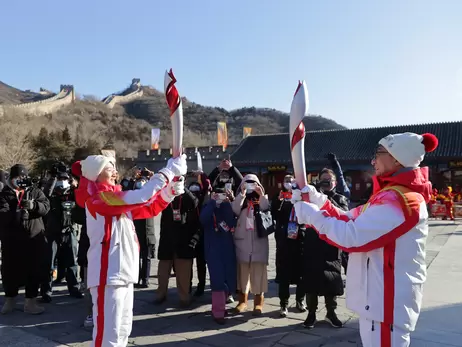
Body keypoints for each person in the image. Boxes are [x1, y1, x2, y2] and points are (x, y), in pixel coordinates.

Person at [291, 132, 438, 347]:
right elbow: (347, 217)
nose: (373, 160)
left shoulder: (404, 201)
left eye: (378, 154)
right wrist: (316, 199)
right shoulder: (389, 195)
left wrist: (310, 215)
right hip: (378, 301)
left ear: (397, 158)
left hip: (388, 304)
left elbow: (352, 237)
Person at [73, 154, 187, 347]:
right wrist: (168, 171)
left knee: (122, 330)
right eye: (110, 169)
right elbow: (140, 196)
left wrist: (169, 193)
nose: (115, 173)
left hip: (124, 272)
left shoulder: (115, 200)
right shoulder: (97, 199)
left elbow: (148, 207)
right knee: (107, 334)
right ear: (96, 174)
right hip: (106, 275)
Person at [0, 164, 50, 315]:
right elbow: (2, 214)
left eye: (23, 178)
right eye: (17, 178)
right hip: (12, 240)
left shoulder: (35, 191)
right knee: (9, 271)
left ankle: (30, 302)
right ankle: (10, 300)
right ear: (11, 178)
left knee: (33, 270)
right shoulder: (4, 194)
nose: (20, 181)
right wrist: (17, 211)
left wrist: (34, 205)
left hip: (33, 239)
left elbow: (46, 207)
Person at [303, 168, 348, 329]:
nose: (327, 182)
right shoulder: (311, 198)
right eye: (324, 179)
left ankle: (331, 312)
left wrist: (324, 199)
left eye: (330, 180)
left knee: (332, 282)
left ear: (335, 182)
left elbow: (343, 214)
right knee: (311, 282)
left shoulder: (340, 198)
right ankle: (311, 313)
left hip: (332, 245)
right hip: (313, 244)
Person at [155, 183, 199, 307]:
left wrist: (182, 187)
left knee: (183, 272)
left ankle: (184, 298)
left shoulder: (186, 196)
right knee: (163, 271)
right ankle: (160, 294)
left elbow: (194, 202)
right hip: (167, 238)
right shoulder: (165, 193)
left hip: (183, 238)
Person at [232, 174, 270, 316]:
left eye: (253, 183)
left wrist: (261, 195)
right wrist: (241, 194)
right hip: (242, 241)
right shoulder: (240, 198)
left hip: (259, 241)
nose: (250, 186)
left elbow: (267, 209)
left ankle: (258, 303)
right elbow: (234, 210)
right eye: (247, 183)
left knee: (258, 273)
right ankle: (242, 300)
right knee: (242, 274)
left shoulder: (261, 198)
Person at [200, 188, 237, 324]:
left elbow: (232, 223)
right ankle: (218, 312)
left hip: (227, 248)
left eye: (222, 194)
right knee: (217, 280)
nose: (220, 197)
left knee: (228, 278)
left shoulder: (226, 206)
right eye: (217, 194)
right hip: (213, 249)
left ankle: (222, 305)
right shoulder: (208, 206)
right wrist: (212, 202)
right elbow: (203, 219)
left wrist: (227, 203)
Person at [271, 175, 306, 317]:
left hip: (300, 239)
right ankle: (283, 304)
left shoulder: (302, 197)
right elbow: (274, 214)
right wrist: (278, 200)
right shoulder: (280, 197)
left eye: (291, 181)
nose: (289, 184)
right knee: (284, 275)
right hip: (285, 241)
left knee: (301, 274)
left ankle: (300, 301)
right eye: (286, 181)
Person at [132, 176, 157, 289]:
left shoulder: (151, 199)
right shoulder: (134, 198)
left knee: (146, 257)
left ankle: (145, 279)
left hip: (148, 232)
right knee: (136, 257)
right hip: (136, 232)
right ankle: (137, 278)